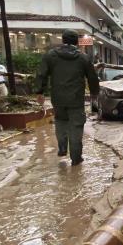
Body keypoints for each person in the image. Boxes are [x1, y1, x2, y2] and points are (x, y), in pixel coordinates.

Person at [35, 29, 99, 166]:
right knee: (76, 126)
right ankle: (76, 158)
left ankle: (62, 148)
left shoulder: (50, 56)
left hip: (57, 99)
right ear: (77, 41)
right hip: (76, 100)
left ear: (63, 40)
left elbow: (41, 74)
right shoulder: (83, 57)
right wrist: (95, 93)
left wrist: (39, 92)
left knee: (60, 122)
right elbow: (92, 77)